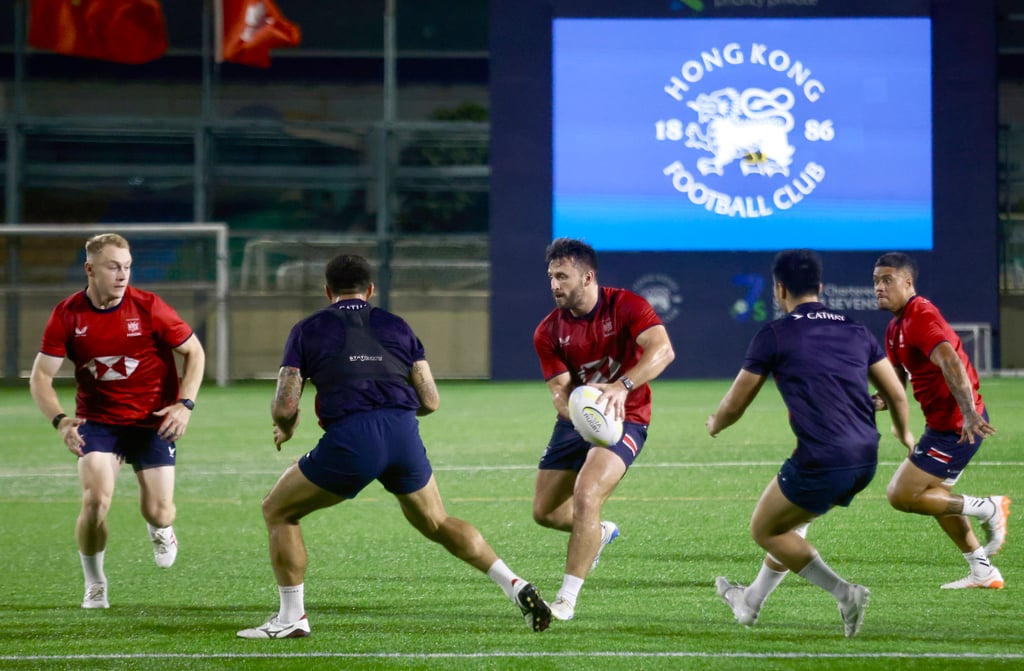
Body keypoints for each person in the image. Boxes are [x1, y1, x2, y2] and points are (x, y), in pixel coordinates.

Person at [237, 253, 551, 639]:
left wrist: (285, 427)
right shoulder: (398, 326)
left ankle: (291, 618)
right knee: (437, 521)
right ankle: (514, 584)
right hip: (403, 433)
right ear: (370, 290)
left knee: (279, 510)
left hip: (352, 438)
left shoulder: (308, 329)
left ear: (327, 290)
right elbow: (431, 401)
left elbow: (286, 403)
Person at [707, 249, 914, 638]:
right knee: (793, 525)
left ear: (779, 289)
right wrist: (904, 434)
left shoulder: (774, 334)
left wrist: (715, 423)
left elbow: (736, 402)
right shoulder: (857, 329)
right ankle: (749, 602)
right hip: (865, 458)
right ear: (820, 288)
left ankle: (844, 592)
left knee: (766, 530)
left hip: (823, 460)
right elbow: (897, 395)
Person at [29, 233, 205, 610]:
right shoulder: (67, 314)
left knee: (158, 510)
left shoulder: (150, 307)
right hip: (98, 422)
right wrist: (61, 421)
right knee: (95, 501)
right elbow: (40, 377)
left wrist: (184, 404)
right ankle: (95, 583)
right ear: (90, 269)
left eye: (127, 266)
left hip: (152, 421)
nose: (122, 274)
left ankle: (162, 529)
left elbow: (194, 351)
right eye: (113, 266)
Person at [531, 237, 676, 622]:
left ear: (588, 276)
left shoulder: (626, 306)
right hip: (578, 421)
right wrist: (578, 412)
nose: (554, 285)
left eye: (562, 276)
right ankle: (600, 531)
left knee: (586, 494)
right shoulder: (548, 331)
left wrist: (621, 387)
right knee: (544, 512)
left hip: (628, 416)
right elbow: (559, 393)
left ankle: (565, 600)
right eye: (550, 277)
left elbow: (663, 350)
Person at [873, 252, 1009, 590]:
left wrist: (968, 412)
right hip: (944, 425)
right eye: (876, 281)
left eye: (887, 280)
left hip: (958, 427)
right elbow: (896, 384)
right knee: (935, 497)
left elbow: (949, 360)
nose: (879, 287)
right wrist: (866, 403)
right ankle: (983, 571)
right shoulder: (894, 328)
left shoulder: (920, 315)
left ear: (908, 282)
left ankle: (988, 507)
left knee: (901, 495)